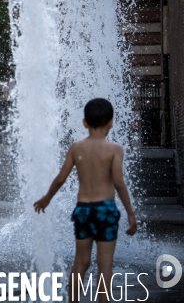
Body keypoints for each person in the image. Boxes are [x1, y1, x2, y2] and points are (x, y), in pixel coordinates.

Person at [33, 98, 137, 303]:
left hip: (83, 210)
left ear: (84, 123)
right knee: (105, 262)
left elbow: (60, 178)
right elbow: (118, 181)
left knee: (81, 261)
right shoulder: (114, 149)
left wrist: (46, 198)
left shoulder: (76, 147)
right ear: (111, 123)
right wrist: (130, 213)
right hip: (105, 210)